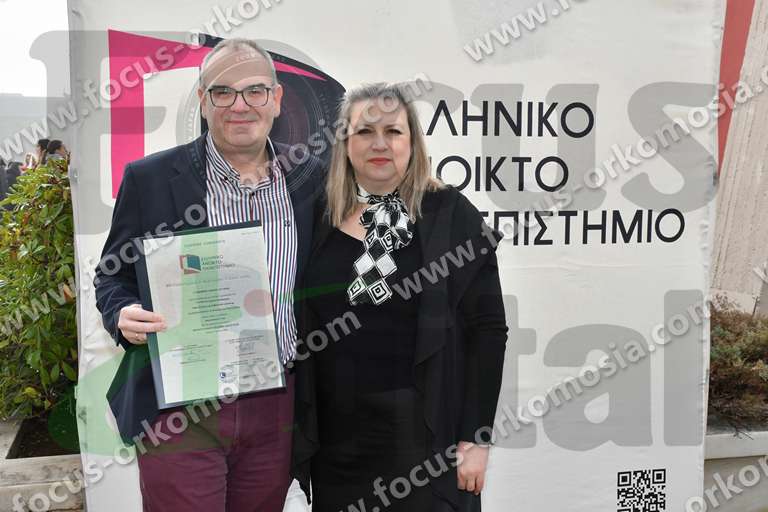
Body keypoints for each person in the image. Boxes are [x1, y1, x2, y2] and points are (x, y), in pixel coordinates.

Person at [94, 38, 325, 511]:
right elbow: (111, 276)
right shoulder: (150, 179)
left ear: (277, 100)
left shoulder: (312, 179)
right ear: (203, 100)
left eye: (255, 91)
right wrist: (122, 312)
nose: (240, 105)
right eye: (223, 92)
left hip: (277, 405)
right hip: (181, 409)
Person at [291, 83, 508, 512]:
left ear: (413, 142)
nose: (379, 144)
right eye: (364, 132)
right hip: (336, 445)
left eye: (393, 131)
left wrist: (475, 437)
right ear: (344, 142)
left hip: (424, 441)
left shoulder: (450, 215)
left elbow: (488, 331)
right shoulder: (317, 216)